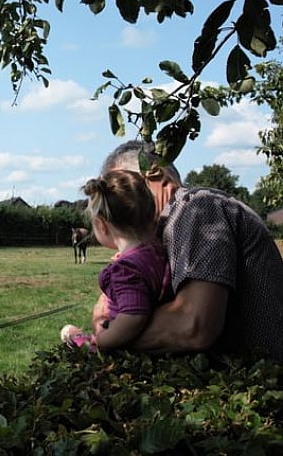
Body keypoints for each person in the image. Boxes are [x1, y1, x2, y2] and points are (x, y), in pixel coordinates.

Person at [90, 140, 283, 360]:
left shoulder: (196, 208)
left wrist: (107, 332)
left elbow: (192, 326)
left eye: (122, 191)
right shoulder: (164, 232)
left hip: (265, 381)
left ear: (154, 175)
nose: (116, 208)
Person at [61, 170, 172, 351]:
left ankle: (75, 336)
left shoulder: (125, 270)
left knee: (70, 334)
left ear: (102, 226)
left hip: (119, 345)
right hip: (150, 336)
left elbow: (133, 317)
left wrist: (102, 341)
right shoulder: (159, 251)